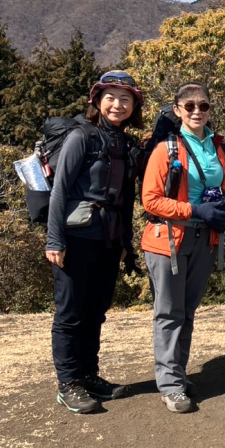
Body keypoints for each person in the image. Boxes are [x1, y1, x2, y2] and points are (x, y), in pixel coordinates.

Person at [46, 70, 144, 414]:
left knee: (95, 312)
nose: (117, 105)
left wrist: (124, 245)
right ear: (97, 102)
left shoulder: (126, 144)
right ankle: (68, 383)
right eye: (111, 98)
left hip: (108, 240)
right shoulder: (81, 137)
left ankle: (89, 375)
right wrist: (54, 239)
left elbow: (128, 199)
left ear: (134, 105)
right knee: (70, 314)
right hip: (75, 238)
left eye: (125, 99)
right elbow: (60, 191)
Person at [141, 82, 225, 413]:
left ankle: (178, 375)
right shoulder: (166, 149)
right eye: (190, 106)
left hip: (204, 240)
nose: (197, 111)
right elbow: (151, 200)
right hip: (168, 239)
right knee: (169, 312)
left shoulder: (220, 146)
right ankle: (170, 385)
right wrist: (196, 210)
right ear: (177, 110)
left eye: (204, 106)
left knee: (187, 311)